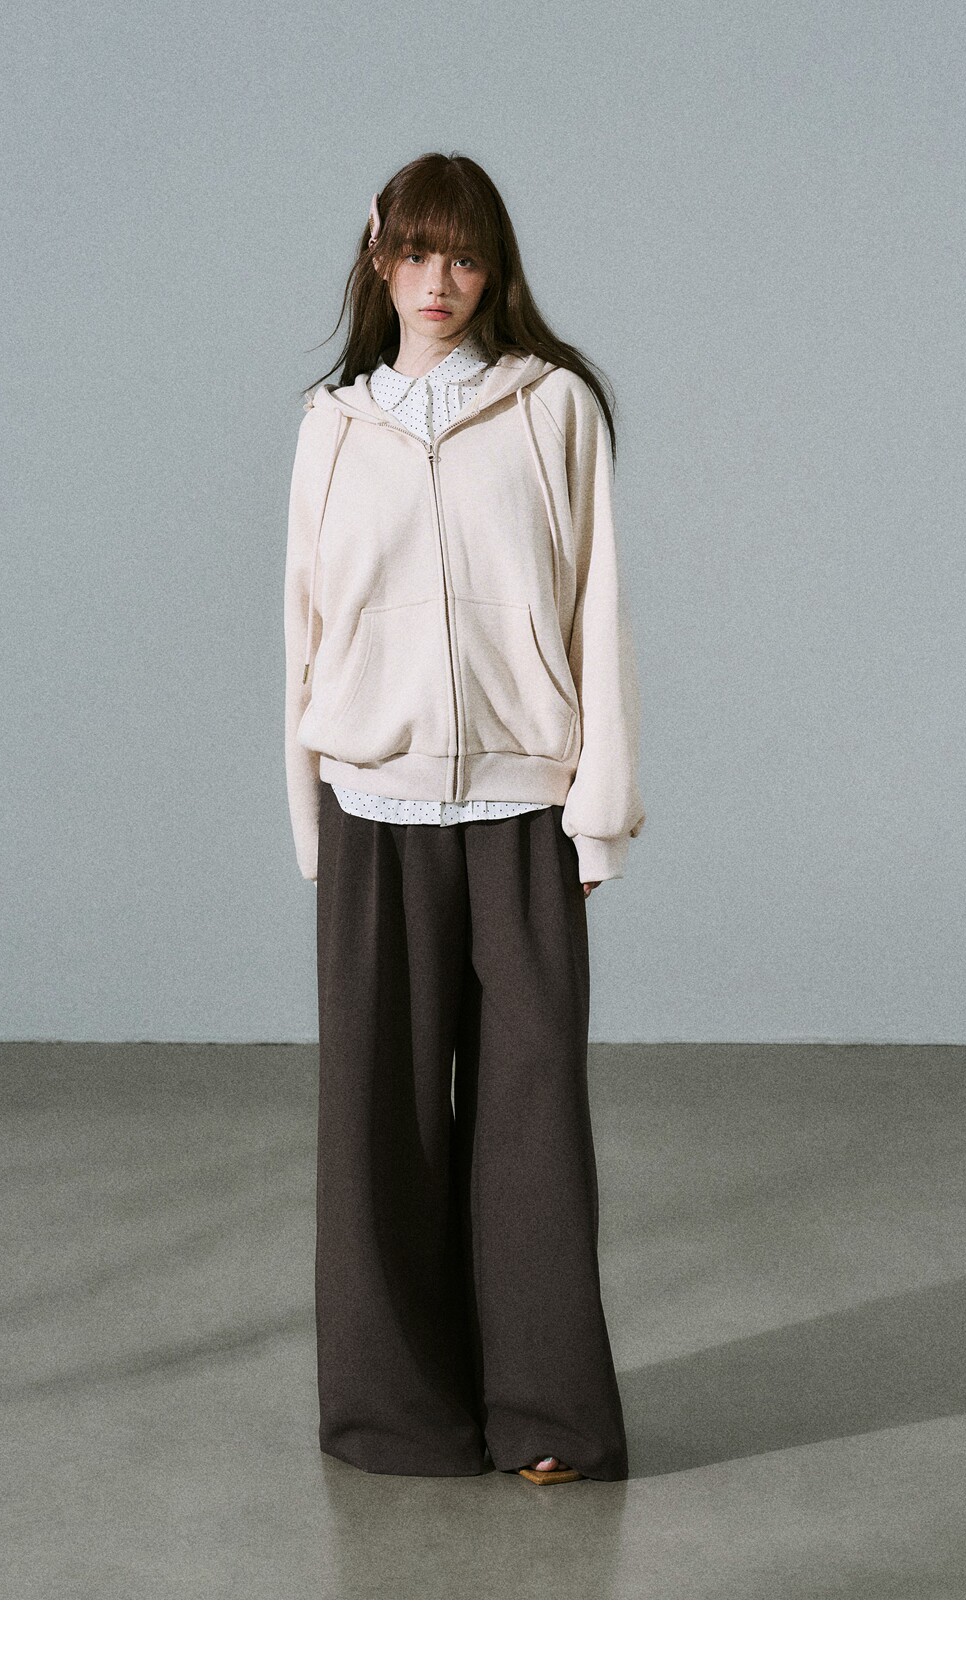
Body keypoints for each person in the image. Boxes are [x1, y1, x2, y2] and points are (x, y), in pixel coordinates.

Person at [283, 152, 645, 1485]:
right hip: (372, 805)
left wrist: (598, 815)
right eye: (419, 252)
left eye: (468, 256)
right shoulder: (333, 426)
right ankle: (400, 1417)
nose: (442, 282)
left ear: (495, 271)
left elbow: (597, 610)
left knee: (532, 1123)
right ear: (378, 256)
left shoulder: (553, 408)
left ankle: (547, 1417)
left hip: (520, 806)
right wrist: (313, 823)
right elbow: (302, 629)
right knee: (376, 1120)